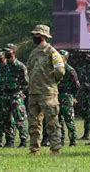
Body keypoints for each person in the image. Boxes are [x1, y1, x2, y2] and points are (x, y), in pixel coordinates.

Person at [27, 25, 65, 156]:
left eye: (36, 35)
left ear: (43, 36)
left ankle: (55, 149)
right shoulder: (33, 53)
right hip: (34, 93)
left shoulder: (52, 52)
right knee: (33, 123)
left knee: (52, 122)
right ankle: (34, 148)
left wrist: (51, 82)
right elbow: (29, 69)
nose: (34, 37)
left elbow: (60, 71)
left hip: (48, 93)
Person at [2, 43, 29, 148]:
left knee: (20, 119)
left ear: (13, 52)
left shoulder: (20, 66)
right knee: (6, 120)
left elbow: (26, 83)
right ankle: (9, 140)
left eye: (8, 51)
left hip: (16, 95)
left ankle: (23, 141)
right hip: (5, 95)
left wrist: (20, 92)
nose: (6, 53)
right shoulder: (4, 66)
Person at [57, 50, 80, 147]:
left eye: (61, 56)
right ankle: (60, 140)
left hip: (67, 96)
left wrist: (73, 97)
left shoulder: (70, 70)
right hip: (57, 96)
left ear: (65, 58)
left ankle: (73, 141)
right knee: (58, 120)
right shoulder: (56, 69)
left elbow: (77, 86)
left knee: (69, 120)